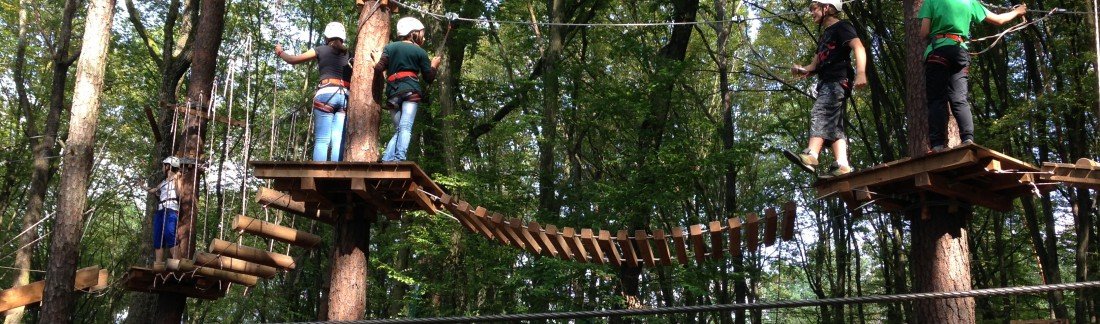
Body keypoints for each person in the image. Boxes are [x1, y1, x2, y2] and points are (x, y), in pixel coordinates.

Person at [919, 0, 1026, 152]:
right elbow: (999, 20)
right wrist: (1017, 12)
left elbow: (924, 32)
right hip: (960, 53)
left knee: (937, 99)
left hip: (939, 52)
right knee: (960, 99)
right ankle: (968, 139)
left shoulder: (931, 1)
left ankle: (937, 144)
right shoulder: (970, 2)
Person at [784, 0, 868, 177]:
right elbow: (814, 65)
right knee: (835, 126)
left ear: (827, 8)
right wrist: (801, 69)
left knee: (820, 112)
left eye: (814, 8)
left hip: (837, 79)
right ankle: (842, 165)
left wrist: (861, 72)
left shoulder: (842, 26)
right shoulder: (824, 36)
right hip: (827, 81)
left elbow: (858, 46)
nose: (811, 12)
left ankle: (811, 155)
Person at [276, 22, 353, 161]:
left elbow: (292, 60)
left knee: (322, 139)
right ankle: (337, 173)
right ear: (343, 37)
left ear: (326, 37)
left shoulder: (320, 50)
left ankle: (319, 173)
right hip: (345, 97)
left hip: (326, 95)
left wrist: (280, 52)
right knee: (338, 140)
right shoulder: (350, 54)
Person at [374, 17, 442, 162]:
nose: (423, 36)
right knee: (405, 128)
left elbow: (379, 68)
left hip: (393, 93)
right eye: (421, 33)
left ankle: (386, 160)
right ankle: (399, 159)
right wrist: (434, 65)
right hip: (411, 91)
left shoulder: (390, 47)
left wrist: (375, 59)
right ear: (413, 33)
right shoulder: (420, 52)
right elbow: (429, 77)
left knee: (400, 129)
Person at [147, 156, 183, 270]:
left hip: (171, 209)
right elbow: (153, 190)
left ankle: (178, 263)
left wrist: (176, 180)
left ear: (168, 166)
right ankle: (158, 265)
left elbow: (179, 194)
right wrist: (142, 186)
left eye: (164, 165)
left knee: (169, 234)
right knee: (158, 236)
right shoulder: (163, 182)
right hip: (161, 209)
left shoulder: (177, 178)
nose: (163, 168)